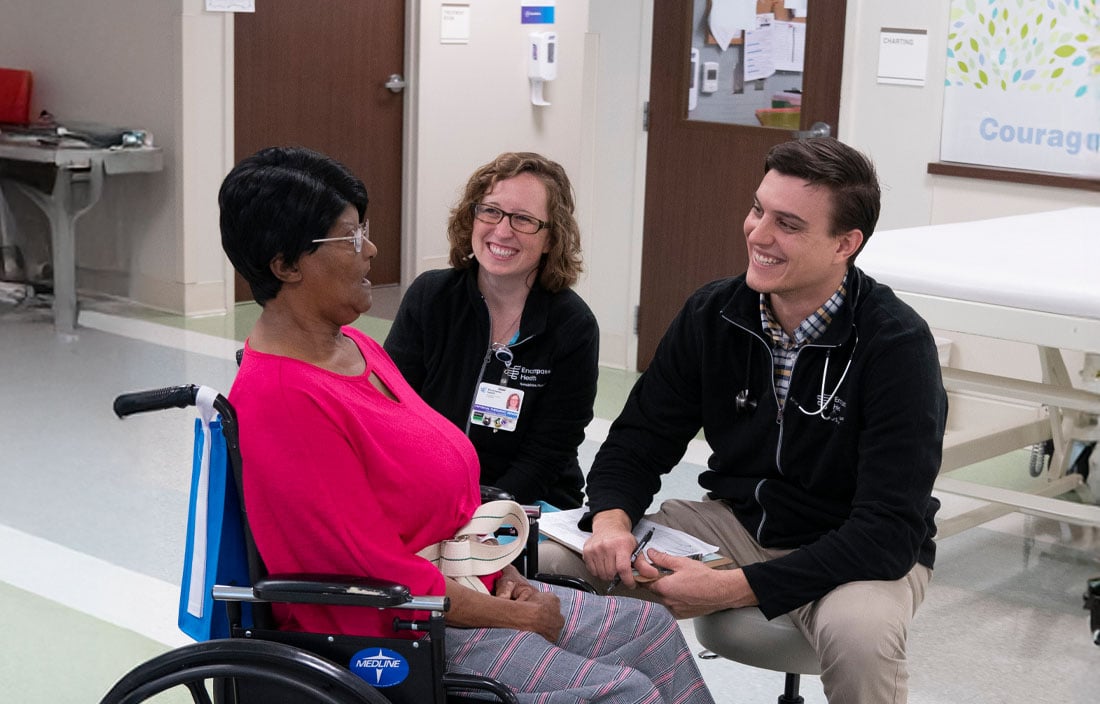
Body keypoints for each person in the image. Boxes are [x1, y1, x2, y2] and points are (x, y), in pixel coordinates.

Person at [219, 146, 714, 704]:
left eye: (365, 231)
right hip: (404, 627)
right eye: (352, 238)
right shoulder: (285, 398)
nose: (372, 250)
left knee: (650, 631)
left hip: (469, 566)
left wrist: (500, 572)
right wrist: (511, 614)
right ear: (286, 265)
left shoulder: (353, 344)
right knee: (623, 694)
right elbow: (378, 575)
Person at [543, 138, 947, 704]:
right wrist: (610, 521)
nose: (758, 234)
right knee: (550, 558)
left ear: (844, 244)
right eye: (758, 210)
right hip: (735, 525)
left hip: (851, 552)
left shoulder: (895, 344)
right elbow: (638, 440)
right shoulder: (714, 313)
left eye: (788, 223)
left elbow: (886, 533)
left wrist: (732, 589)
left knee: (861, 638)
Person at [384, 152, 598, 508]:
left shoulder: (572, 325)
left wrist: (485, 514)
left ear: (551, 238)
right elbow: (394, 411)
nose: (502, 230)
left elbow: (548, 453)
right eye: (491, 211)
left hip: (529, 503)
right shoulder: (431, 297)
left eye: (524, 219)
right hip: (430, 493)